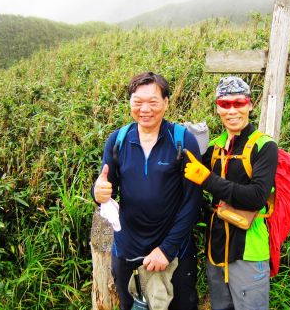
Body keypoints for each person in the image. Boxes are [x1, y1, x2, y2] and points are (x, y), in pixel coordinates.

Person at [92, 71, 202, 310]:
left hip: (174, 251)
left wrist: (166, 249)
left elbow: (193, 203)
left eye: (153, 101)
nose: (145, 109)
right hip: (128, 250)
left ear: (165, 102)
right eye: (138, 102)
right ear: (130, 102)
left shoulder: (183, 141)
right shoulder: (118, 140)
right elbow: (104, 188)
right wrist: (97, 194)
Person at [184, 76, 278, 310]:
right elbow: (183, 171)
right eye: (225, 104)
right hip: (215, 247)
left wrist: (207, 179)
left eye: (239, 103)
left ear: (250, 105)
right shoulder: (214, 147)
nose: (232, 110)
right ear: (217, 108)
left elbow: (256, 196)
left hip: (250, 249)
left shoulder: (264, 146)